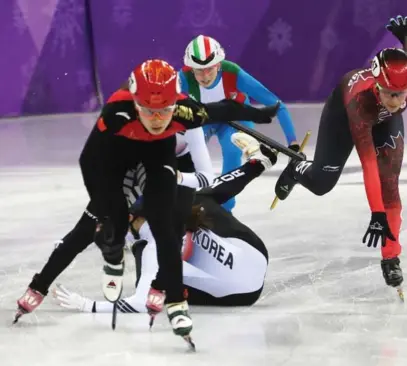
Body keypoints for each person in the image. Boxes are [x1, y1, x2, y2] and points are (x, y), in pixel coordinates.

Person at [15, 58, 280, 341]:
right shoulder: (117, 111)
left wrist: (259, 114)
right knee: (93, 223)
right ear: (135, 104)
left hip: (158, 161)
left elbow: (222, 111)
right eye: (149, 111)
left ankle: (171, 294)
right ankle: (47, 282)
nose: (156, 119)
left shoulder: (186, 114)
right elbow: (88, 163)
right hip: (119, 160)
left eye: (164, 111)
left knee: (166, 230)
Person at [274, 15, 407, 292]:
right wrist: (376, 213)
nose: (397, 101)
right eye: (390, 94)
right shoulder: (360, 102)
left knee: (391, 186)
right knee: (322, 184)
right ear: (377, 86)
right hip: (345, 119)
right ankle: (298, 170)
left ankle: (391, 257)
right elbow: (368, 163)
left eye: (401, 94)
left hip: (381, 122)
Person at [52, 133, 275, 314]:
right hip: (254, 253)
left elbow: (139, 304)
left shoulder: (152, 248)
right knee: (202, 198)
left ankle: (258, 163)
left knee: (151, 279)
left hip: (242, 295)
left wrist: (85, 305)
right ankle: (259, 162)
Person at [15, 125, 214, 323]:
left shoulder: (190, 121)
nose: (156, 120)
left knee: (172, 227)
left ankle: (162, 285)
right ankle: (40, 285)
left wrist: (177, 177)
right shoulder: (123, 113)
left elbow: (206, 177)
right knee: (85, 229)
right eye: (148, 112)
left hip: (177, 169)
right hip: (135, 163)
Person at [180, 35, 299, 212]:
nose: (205, 76)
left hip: (237, 118)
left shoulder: (234, 74)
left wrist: (293, 142)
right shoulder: (182, 78)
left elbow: (277, 105)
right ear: (191, 68)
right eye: (199, 70)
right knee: (186, 153)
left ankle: (224, 210)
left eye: (210, 69)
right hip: (206, 117)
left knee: (232, 150)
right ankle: (182, 204)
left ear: (219, 64)